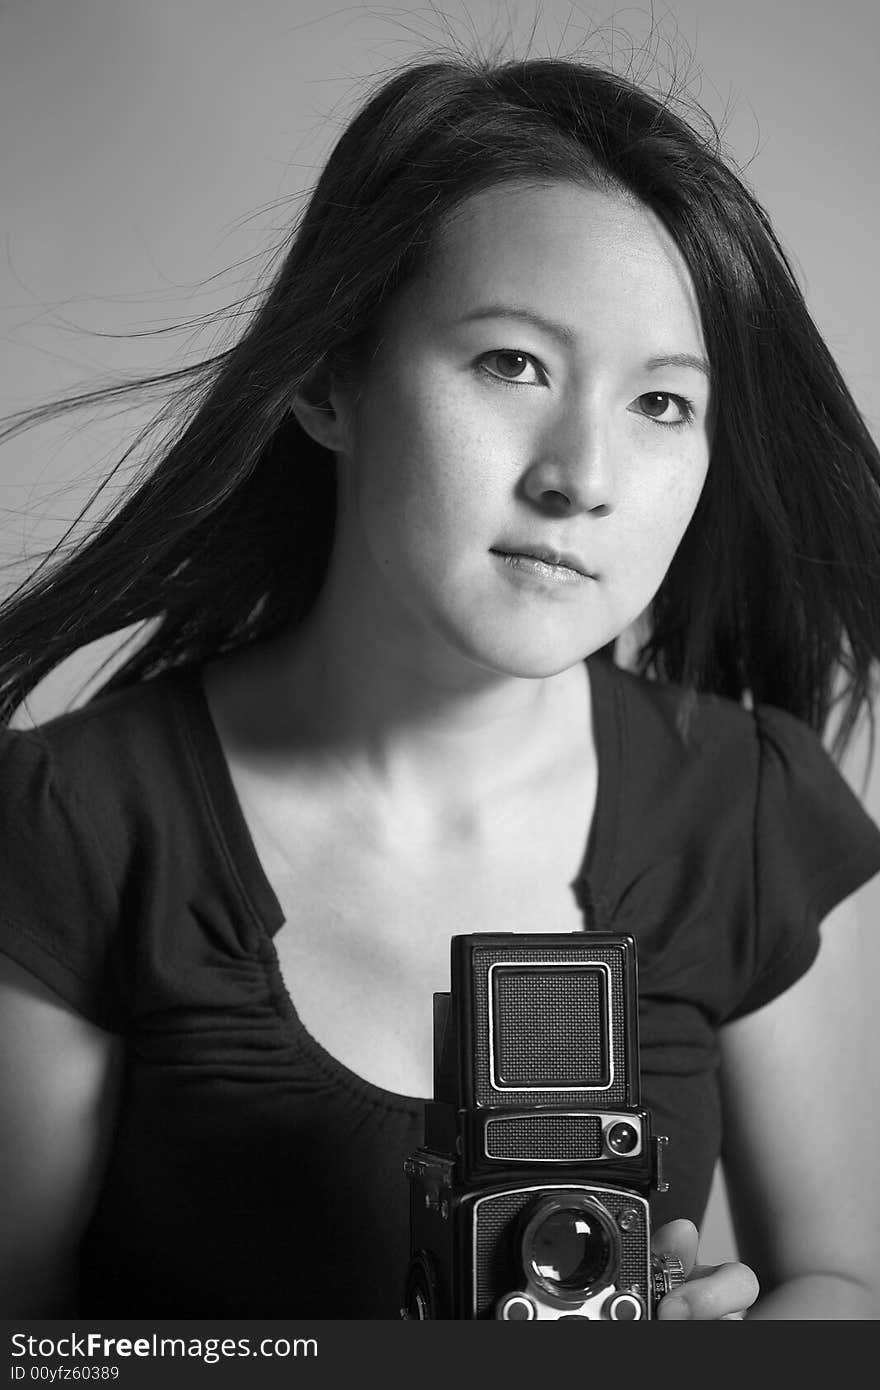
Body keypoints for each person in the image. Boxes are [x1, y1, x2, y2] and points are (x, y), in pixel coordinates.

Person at [1, 50, 879, 1322]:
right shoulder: (76, 821)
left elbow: (843, 1289)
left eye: (663, 403)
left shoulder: (752, 807)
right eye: (512, 364)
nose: (583, 475)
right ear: (325, 377)